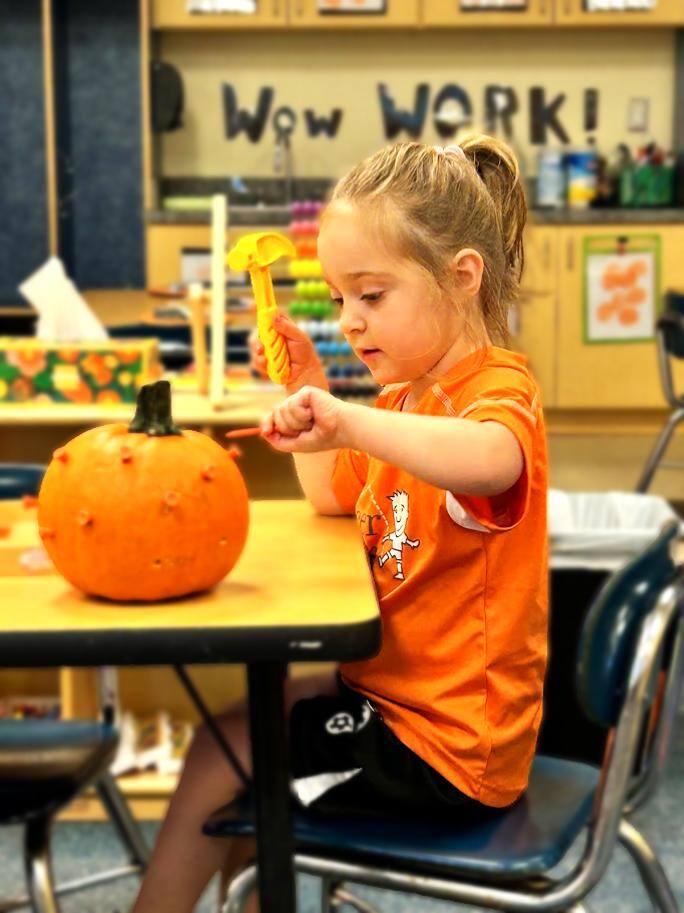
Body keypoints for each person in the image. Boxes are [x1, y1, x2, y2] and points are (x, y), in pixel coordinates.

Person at [132, 136, 548, 913]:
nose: (351, 321)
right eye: (337, 300)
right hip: (400, 703)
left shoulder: (493, 393)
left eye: (372, 295)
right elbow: (329, 495)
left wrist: (350, 420)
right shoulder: (403, 403)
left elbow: (492, 461)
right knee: (235, 739)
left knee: (238, 750)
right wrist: (317, 391)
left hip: (450, 749)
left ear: (463, 277)